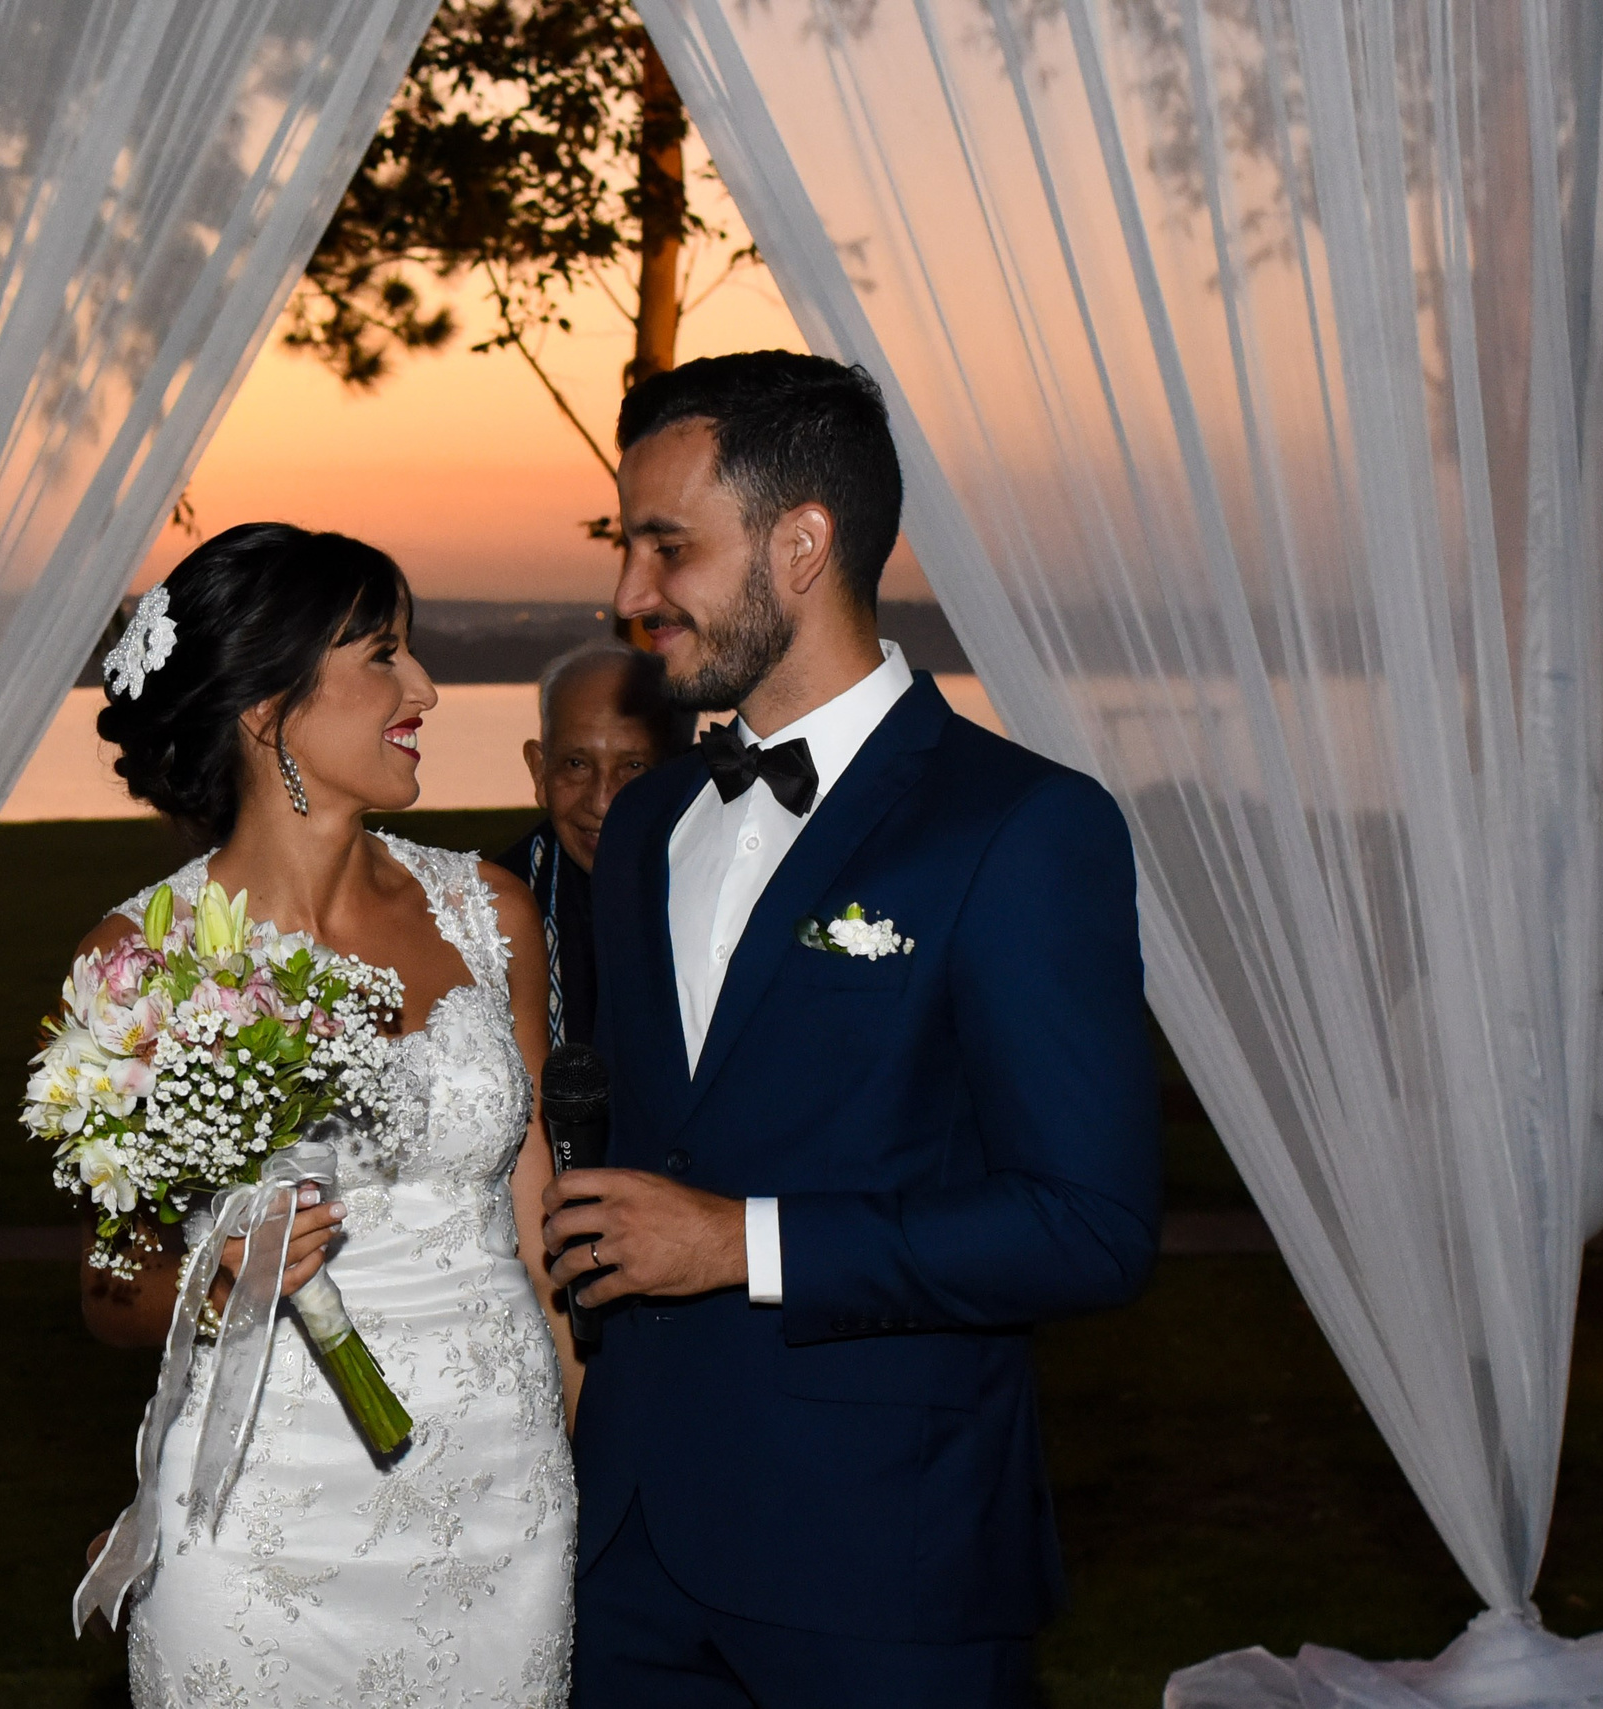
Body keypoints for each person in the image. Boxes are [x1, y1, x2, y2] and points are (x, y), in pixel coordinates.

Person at [545, 352, 1161, 1708]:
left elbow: (1090, 1225)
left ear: (802, 543)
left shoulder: (1019, 828)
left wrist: (740, 1241)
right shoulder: (643, 826)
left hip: (885, 1560)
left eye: (668, 547)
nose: (631, 594)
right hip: (630, 1546)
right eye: (627, 547)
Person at [72, 523, 579, 1707]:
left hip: (500, 1496)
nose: (425, 688)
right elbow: (109, 1289)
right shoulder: (142, 963)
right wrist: (217, 1275)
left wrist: (570, 1439)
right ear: (268, 707)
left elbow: (538, 1217)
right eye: (383, 655)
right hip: (258, 1516)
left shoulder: (490, 914)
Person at [496, 642, 693, 1048]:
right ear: (539, 772)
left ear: (680, 774)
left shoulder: (728, 895)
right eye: (576, 764)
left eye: (633, 766)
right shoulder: (486, 915)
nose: (602, 802)